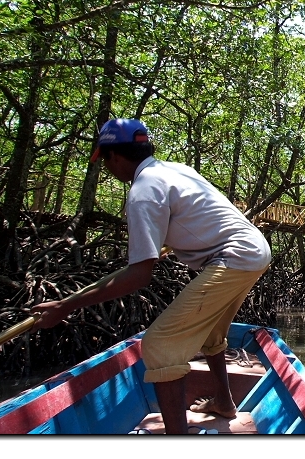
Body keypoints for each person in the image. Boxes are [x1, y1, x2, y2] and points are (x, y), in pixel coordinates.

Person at [30, 118, 271, 434]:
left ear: (115, 156)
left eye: (105, 161)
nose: (107, 169)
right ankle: (224, 403)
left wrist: (66, 307)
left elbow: (139, 277)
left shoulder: (143, 190)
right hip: (253, 249)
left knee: (159, 346)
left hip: (234, 255)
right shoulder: (174, 170)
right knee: (211, 332)